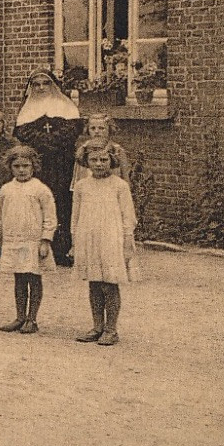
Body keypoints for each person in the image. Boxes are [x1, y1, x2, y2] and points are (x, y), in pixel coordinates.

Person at [12, 70, 83, 265]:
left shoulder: (65, 106)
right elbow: (23, 133)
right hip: (39, 166)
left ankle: (61, 250)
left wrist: (50, 141)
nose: (41, 87)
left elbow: (72, 131)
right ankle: (34, 248)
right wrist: (47, 142)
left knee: (62, 203)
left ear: (53, 85)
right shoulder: (27, 110)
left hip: (62, 164)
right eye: (37, 84)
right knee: (36, 204)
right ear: (31, 88)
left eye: (46, 83)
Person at [71, 141, 138, 345]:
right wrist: (75, 241)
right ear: (86, 161)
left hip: (112, 238)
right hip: (88, 237)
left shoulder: (119, 186)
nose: (99, 164)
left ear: (111, 160)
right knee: (94, 283)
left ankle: (111, 329)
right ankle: (97, 326)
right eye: (94, 160)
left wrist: (127, 241)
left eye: (103, 160)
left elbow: (129, 217)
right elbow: (76, 216)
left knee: (110, 284)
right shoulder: (82, 186)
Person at [0, 144, 58, 334]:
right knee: (19, 278)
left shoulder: (40, 189)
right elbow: (0, 216)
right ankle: (20, 316)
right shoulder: (6, 189)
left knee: (34, 278)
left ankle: (32, 319)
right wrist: (0, 238)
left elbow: (50, 217)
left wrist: (45, 240)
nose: (22, 170)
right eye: (17, 166)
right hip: (13, 240)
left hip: (34, 242)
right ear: (10, 167)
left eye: (26, 166)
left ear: (33, 166)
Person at [73, 113, 133, 184]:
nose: (96, 131)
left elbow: (125, 179)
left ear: (109, 129)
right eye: (93, 128)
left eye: (101, 128)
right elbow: (78, 180)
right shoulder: (83, 150)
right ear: (88, 130)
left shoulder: (117, 150)